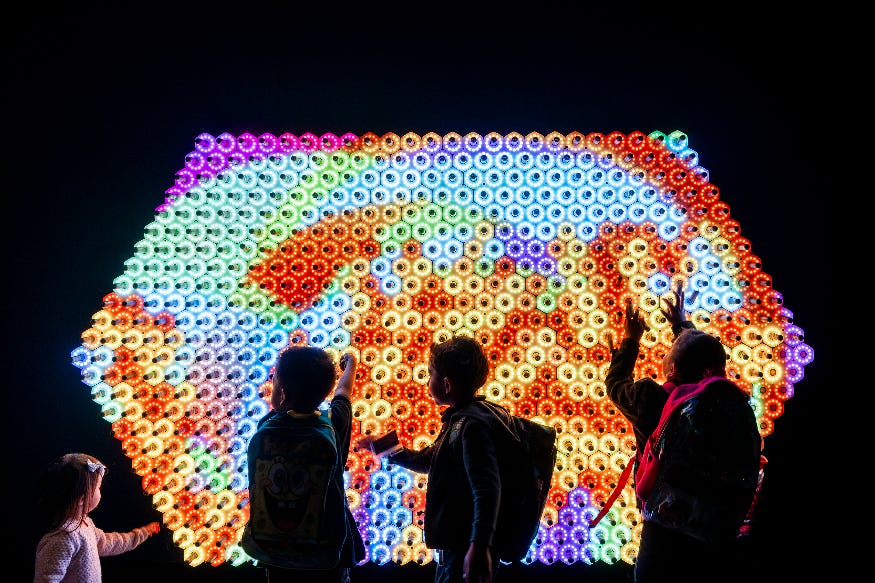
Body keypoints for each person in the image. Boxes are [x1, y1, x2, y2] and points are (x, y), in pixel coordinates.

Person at [605, 281, 762, 583]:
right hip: (715, 523)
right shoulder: (725, 399)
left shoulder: (651, 398)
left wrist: (630, 341)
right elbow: (705, 360)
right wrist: (682, 325)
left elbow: (614, 386)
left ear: (672, 369)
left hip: (667, 521)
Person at [358, 335, 503, 583]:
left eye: (430, 374)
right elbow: (429, 461)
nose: (427, 382)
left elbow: (487, 489)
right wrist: (382, 446)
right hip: (458, 544)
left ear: (446, 384)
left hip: (465, 546)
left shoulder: (471, 426)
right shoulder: (462, 420)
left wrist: (480, 546)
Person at [245, 347, 365, 583]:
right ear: (326, 390)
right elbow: (344, 391)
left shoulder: (267, 424)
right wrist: (351, 365)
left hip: (277, 555)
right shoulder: (333, 422)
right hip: (325, 554)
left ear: (282, 391)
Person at [33, 452, 160, 582]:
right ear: (82, 498)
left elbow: (109, 543)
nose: (100, 492)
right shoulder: (62, 538)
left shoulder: (86, 523)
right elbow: (46, 579)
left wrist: (140, 534)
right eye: (98, 487)